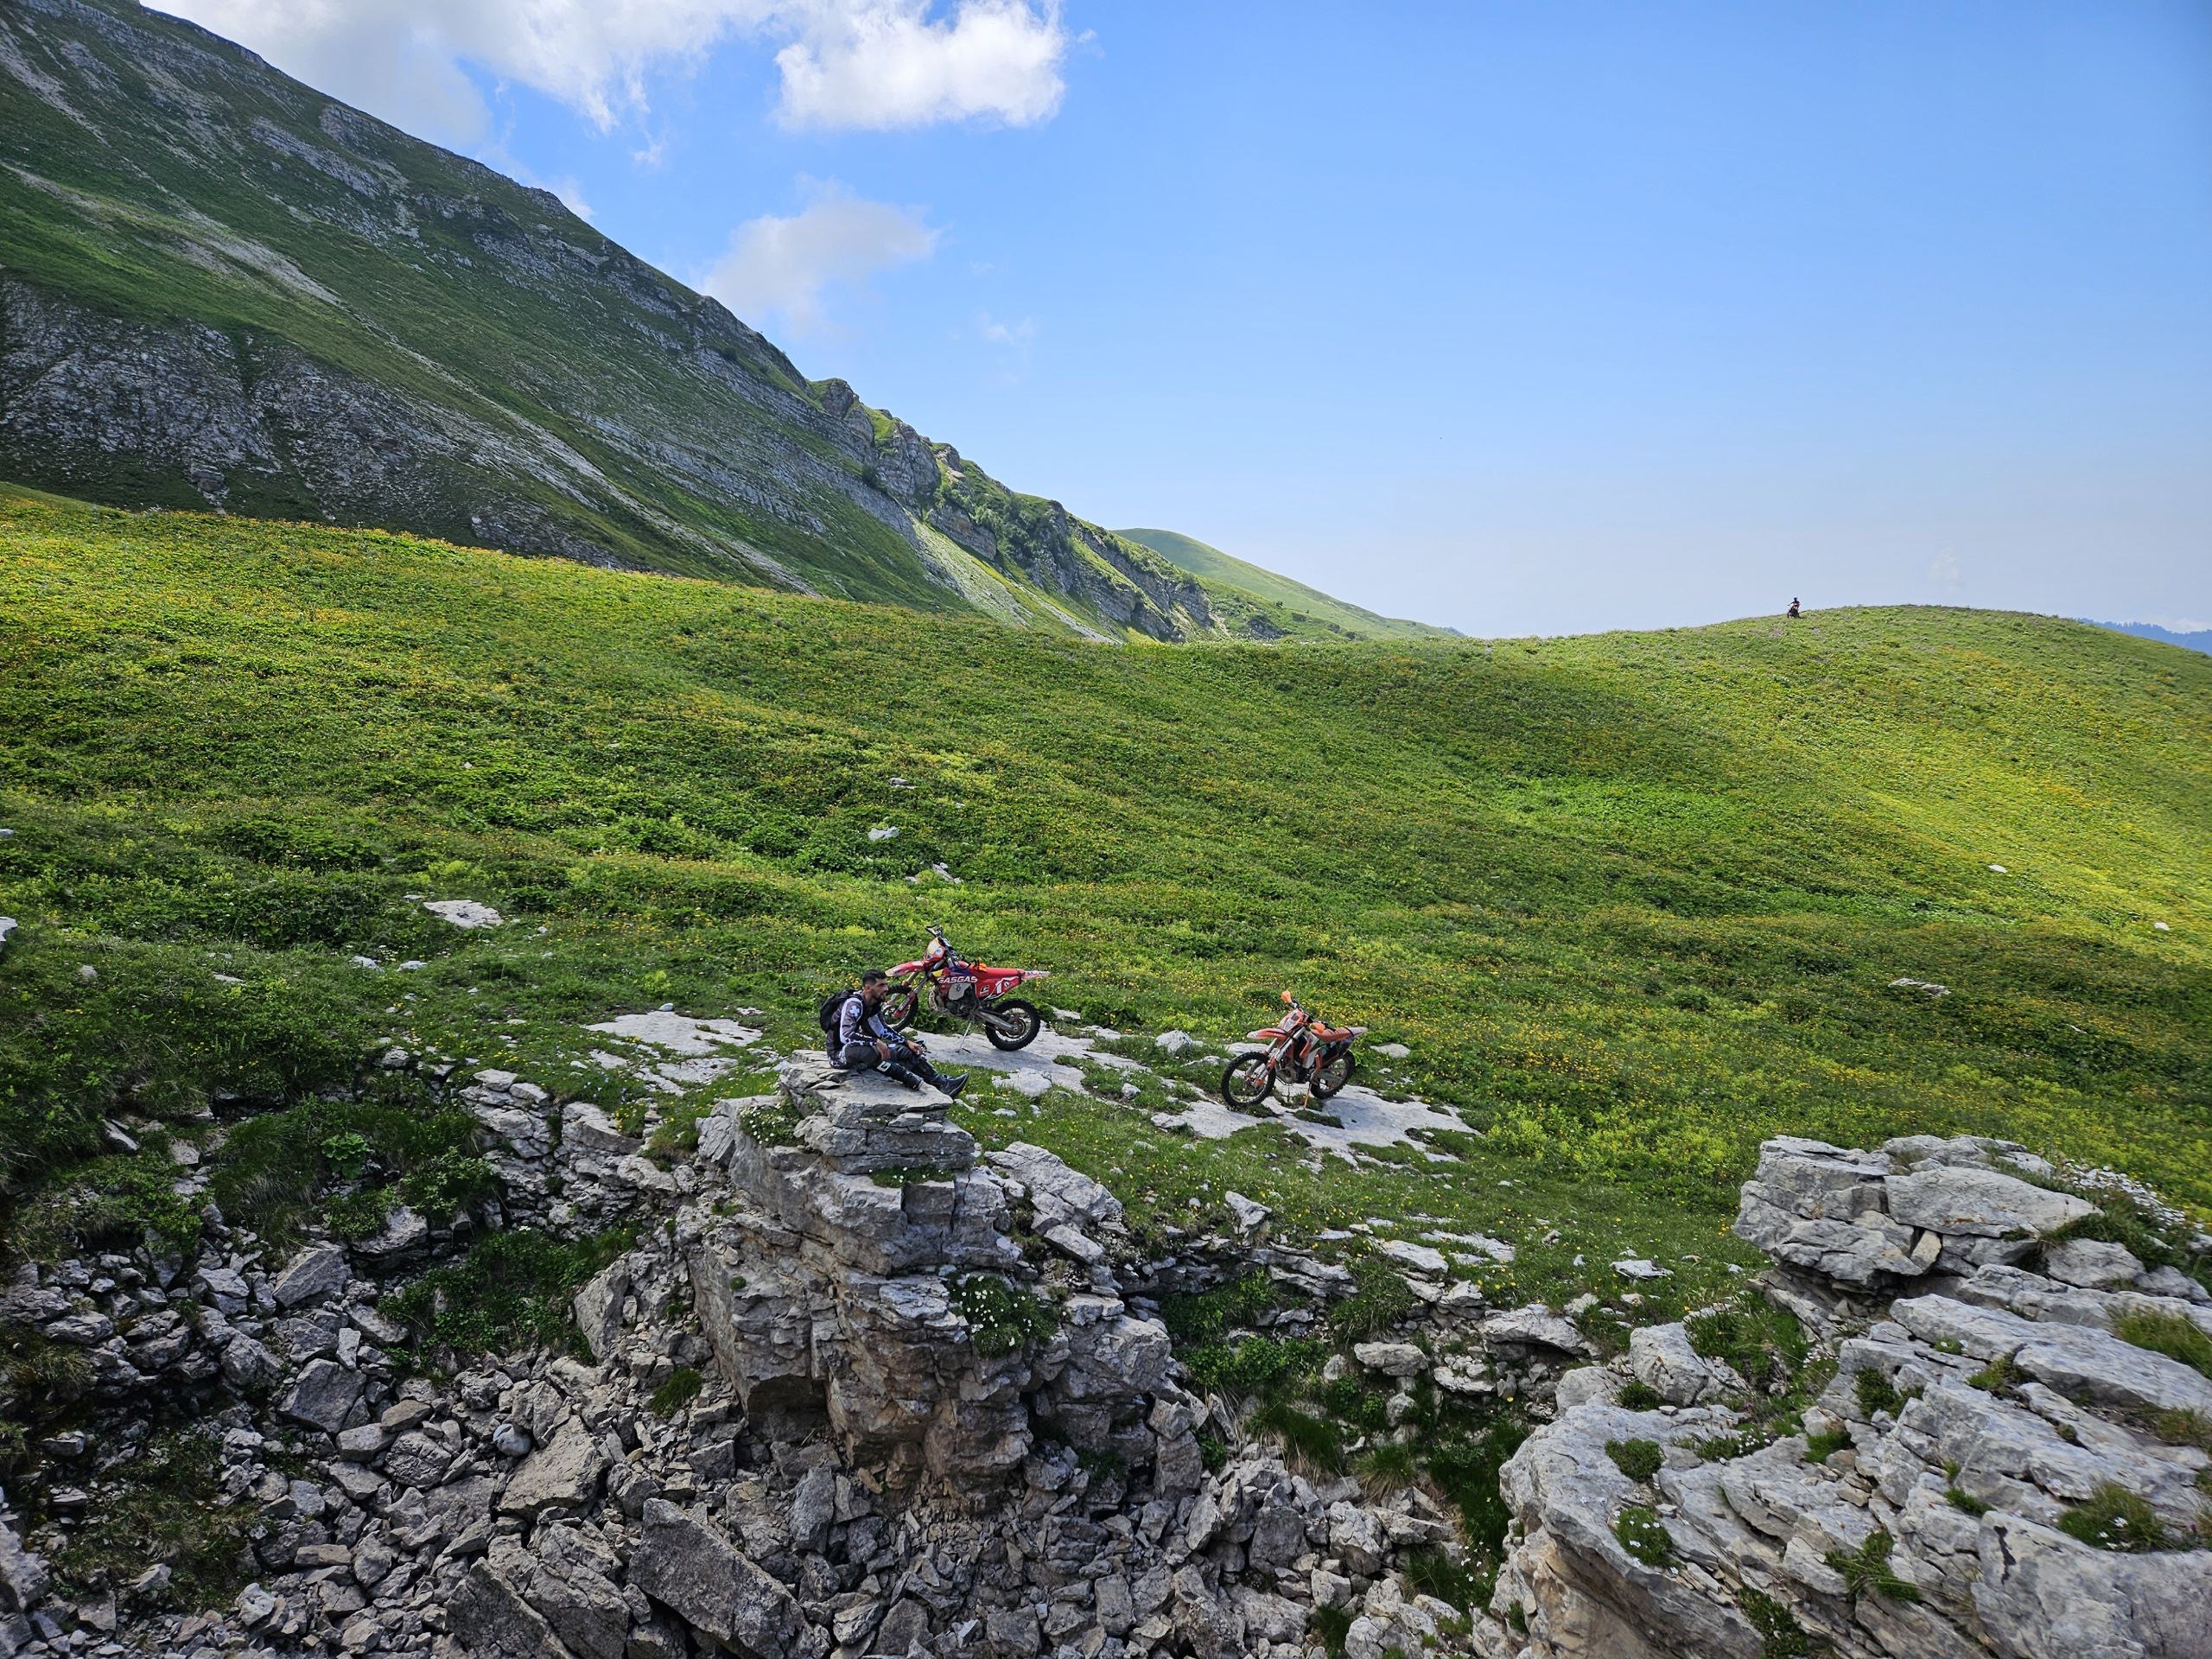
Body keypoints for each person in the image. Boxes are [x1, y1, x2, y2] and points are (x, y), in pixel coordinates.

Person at [835, 969, 969, 1097]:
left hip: (863, 1053)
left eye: (886, 984)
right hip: (842, 1055)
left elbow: (882, 1030)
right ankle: (916, 1081)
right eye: (881, 985)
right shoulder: (854, 1004)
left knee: (908, 1051)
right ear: (868, 988)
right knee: (876, 1052)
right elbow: (845, 1035)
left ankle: (942, 1084)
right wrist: (876, 1042)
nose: (886, 989)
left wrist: (906, 1042)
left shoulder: (872, 1005)